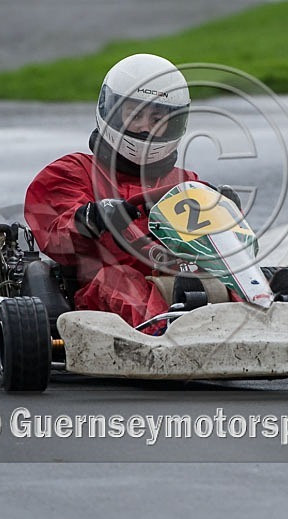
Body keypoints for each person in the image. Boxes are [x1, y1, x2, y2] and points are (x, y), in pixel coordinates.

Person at [24, 53, 201, 331]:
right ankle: (163, 336)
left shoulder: (186, 182)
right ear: (113, 113)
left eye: (157, 118)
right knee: (120, 279)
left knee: (235, 279)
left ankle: (263, 323)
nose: (146, 127)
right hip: (100, 291)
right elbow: (54, 231)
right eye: (135, 115)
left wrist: (227, 211)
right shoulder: (72, 171)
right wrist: (90, 218)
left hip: (180, 281)